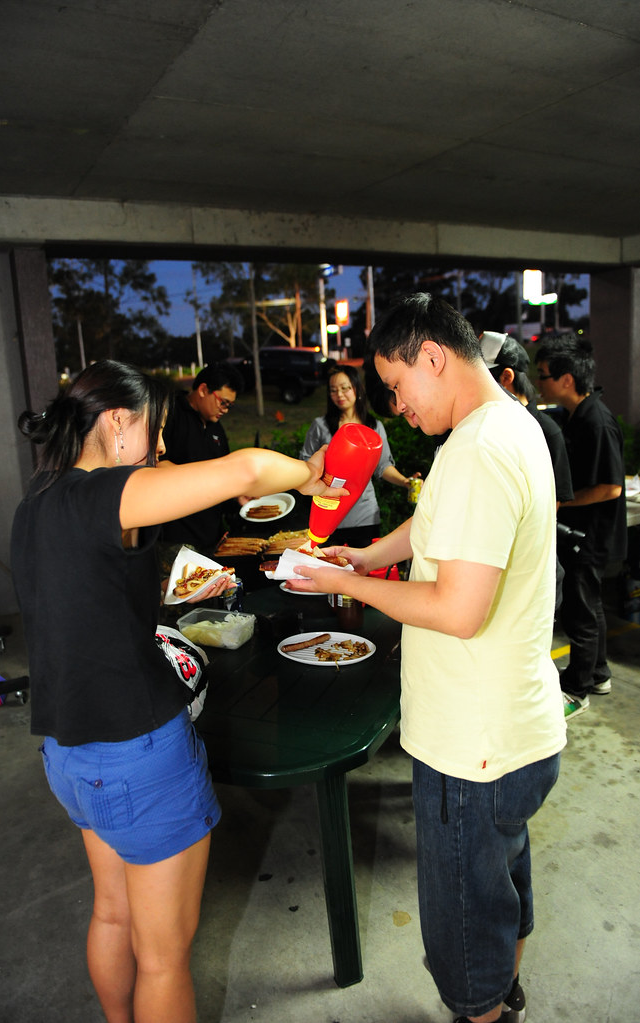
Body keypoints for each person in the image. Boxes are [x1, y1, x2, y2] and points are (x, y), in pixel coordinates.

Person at [9, 359, 345, 1023]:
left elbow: (85, 600)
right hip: (135, 752)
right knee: (163, 956)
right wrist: (312, 473)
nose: (161, 449)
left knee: (111, 912)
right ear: (115, 422)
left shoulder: (34, 505)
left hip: (68, 754)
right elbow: (248, 471)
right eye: (155, 432)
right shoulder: (106, 492)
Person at [288, 294, 567, 1023]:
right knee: (500, 881)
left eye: (395, 386)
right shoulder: (504, 422)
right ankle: (503, 995)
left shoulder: (477, 447)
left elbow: (456, 608)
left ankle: (482, 1008)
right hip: (514, 726)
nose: (396, 406)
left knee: (465, 919)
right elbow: (437, 520)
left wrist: (341, 580)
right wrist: (369, 552)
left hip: (469, 743)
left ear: (432, 356)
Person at [536, 333, 627, 719]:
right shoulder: (577, 415)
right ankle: (599, 673)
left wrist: (564, 501)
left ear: (567, 379)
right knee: (590, 607)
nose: (539, 382)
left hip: (592, 535)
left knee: (581, 610)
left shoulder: (597, 420)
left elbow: (611, 486)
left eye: (544, 375)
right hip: (584, 533)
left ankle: (577, 688)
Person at [478, 330, 574, 609]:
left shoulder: (545, 430)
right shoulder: (488, 426)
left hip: (529, 569)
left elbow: (550, 503)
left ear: (506, 377)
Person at [299, 363, 413, 546]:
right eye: (333, 390)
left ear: (357, 389)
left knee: (362, 568)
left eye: (345, 388)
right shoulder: (320, 426)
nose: (339, 395)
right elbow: (305, 462)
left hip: (364, 514)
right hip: (328, 512)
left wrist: (405, 482)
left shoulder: (374, 428)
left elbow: (383, 466)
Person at [160, 362, 245, 552]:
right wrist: (205, 476)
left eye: (230, 405)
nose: (225, 410)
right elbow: (157, 465)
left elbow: (225, 473)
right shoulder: (171, 414)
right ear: (203, 389)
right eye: (223, 402)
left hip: (212, 534)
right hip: (177, 535)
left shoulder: (216, 426)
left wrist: (237, 496)